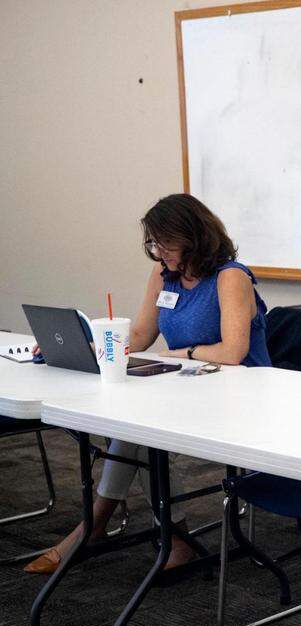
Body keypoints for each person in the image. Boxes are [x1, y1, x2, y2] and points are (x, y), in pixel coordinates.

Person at [25, 194, 272, 574]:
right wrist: (90, 346)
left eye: (163, 242)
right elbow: (139, 335)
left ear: (192, 236)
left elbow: (234, 351)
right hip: (187, 389)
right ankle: (164, 535)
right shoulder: (163, 275)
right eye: (152, 243)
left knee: (139, 428)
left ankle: (98, 522)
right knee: (136, 426)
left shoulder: (230, 277)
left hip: (241, 395)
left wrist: (182, 354)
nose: (157, 252)